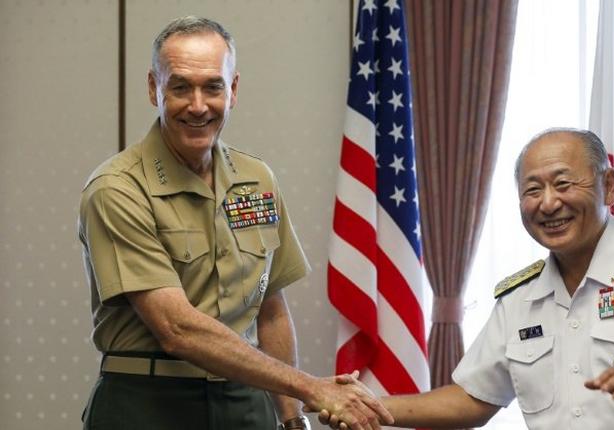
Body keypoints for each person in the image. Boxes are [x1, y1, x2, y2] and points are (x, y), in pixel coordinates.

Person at [78, 16, 391, 430]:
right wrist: (311, 388)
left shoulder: (256, 178)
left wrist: (293, 417)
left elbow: (271, 310)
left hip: (247, 403)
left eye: (213, 86)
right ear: (154, 88)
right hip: (148, 403)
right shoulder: (117, 189)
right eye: (179, 87)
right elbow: (176, 329)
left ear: (234, 89)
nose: (197, 105)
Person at [320, 127, 614, 429]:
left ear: (608, 187)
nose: (548, 203)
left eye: (563, 183)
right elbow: (471, 400)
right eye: (532, 190)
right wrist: (371, 404)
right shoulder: (519, 298)